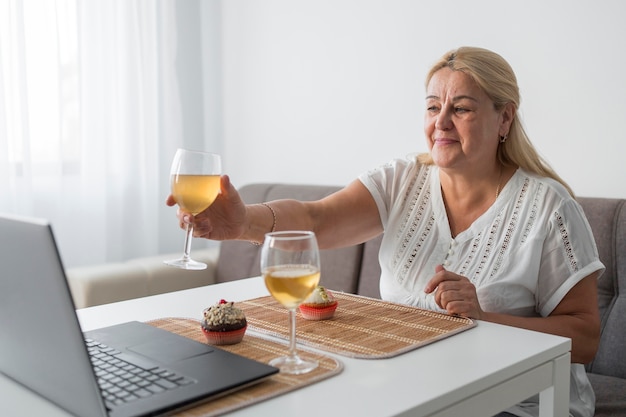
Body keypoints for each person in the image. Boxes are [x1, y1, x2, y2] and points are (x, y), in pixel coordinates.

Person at [167, 46, 604, 417]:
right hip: (411, 387)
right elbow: (317, 218)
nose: (442, 122)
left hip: (518, 402)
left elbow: (585, 338)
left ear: (504, 118)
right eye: (433, 107)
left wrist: (485, 320)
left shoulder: (548, 207)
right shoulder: (403, 178)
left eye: (462, 108)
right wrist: (244, 222)